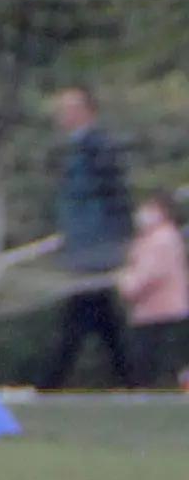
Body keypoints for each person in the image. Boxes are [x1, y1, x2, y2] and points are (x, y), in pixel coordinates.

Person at [49, 87, 138, 389]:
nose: (62, 115)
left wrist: (121, 240)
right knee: (102, 319)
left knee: (80, 317)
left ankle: (50, 383)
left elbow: (116, 196)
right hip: (83, 247)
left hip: (95, 248)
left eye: (69, 108)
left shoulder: (98, 147)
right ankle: (132, 380)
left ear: (87, 111)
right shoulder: (76, 149)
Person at [124, 196, 187, 387]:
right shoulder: (152, 238)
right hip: (157, 309)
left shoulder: (162, 239)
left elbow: (150, 273)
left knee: (152, 356)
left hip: (160, 309)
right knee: (159, 356)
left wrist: (127, 285)